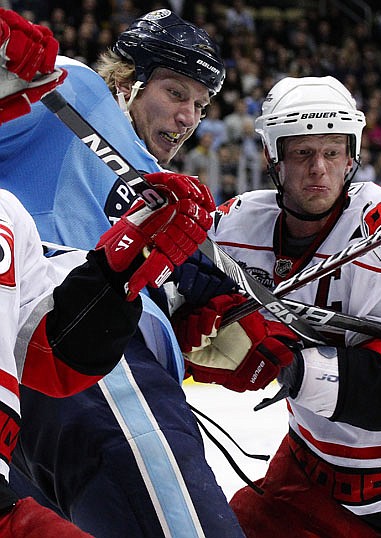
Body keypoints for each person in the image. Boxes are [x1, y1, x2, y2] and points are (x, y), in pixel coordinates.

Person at [173, 76, 381, 537]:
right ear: (274, 159)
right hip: (316, 479)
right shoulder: (236, 229)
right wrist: (197, 330)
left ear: (351, 156)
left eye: (332, 153)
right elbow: (187, 309)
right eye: (302, 154)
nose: (319, 169)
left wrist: (286, 366)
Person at [0, 8, 243, 538]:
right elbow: (14, 81)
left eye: (200, 106)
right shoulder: (80, 95)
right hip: (83, 346)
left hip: (45, 385)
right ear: (128, 82)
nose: (188, 118)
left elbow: (184, 296)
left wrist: (210, 312)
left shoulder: (165, 187)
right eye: (176, 93)